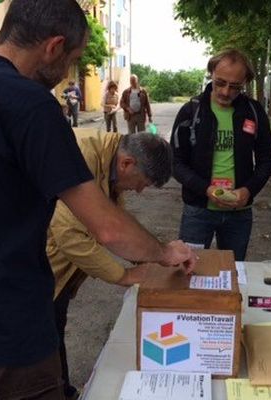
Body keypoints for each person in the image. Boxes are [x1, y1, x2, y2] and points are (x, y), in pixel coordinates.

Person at [0, 1, 196, 399]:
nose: (65, 73)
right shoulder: (28, 103)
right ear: (54, 46)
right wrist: (163, 253)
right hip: (9, 325)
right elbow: (107, 227)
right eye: (72, 59)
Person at [48, 131, 171, 399]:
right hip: (36, 273)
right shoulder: (85, 160)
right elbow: (69, 235)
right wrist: (124, 275)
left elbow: (117, 221)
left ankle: (63, 390)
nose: (139, 190)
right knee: (41, 348)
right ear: (127, 163)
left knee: (52, 336)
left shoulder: (110, 163)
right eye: (142, 183)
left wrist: (153, 255)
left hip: (53, 276)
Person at [170, 48, 271, 261]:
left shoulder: (253, 112)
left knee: (234, 273)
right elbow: (176, 163)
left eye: (235, 86)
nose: (226, 92)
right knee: (190, 271)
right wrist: (205, 189)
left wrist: (248, 190)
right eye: (220, 83)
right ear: (211, 74)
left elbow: (267, 160)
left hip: (239, 212)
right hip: (198, 211)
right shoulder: (191, 111)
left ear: (245, 82)